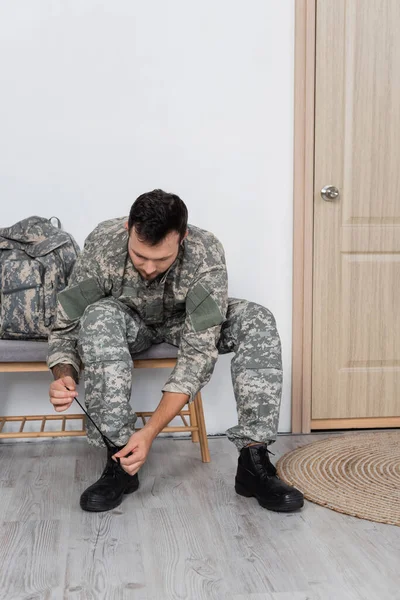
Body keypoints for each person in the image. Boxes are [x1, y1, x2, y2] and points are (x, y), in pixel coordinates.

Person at [48, 189, 304, 513]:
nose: (150, 268)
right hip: (130, 321)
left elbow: (198, 354)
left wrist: (150, 432)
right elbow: (66, 325)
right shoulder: (103, 244)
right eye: (140, 256)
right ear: (128, 228)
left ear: (182, 237)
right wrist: (63, 375)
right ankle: (120, 459)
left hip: (183, 323)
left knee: (257, 319)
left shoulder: (205, 252)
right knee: (98, 315)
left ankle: (253, 462)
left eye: (161, 259)